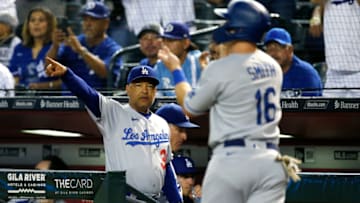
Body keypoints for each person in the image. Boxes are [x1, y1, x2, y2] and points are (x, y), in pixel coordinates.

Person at [158, 0, 301, 202]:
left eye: (227, 21)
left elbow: (190, 106)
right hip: (270, 161)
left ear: (236, 29)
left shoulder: (222, 67)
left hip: (233, 161)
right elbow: (236, 86)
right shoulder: (272, 66)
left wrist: (175, 69)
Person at [45, 57, 182, 203]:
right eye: (138, 85)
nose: (144, 90)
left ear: (155, 91)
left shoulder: (161, 123)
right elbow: (88, 94)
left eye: (150, 86)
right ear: (127, 88)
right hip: (123, 198)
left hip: (156, 199)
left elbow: (166, 168)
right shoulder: (114, 113)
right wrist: (67, 74)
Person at [46, 1, 122, 90]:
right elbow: (49, 68)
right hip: (67, 101)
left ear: (106, 23)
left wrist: (81, 51)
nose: (88, 24)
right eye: (85, 19)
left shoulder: (112, 48)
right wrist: (55, 46)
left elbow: (106, 74)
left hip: (97, 100)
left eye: (93, 19)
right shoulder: (73, 41)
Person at [309, 0, 360, 97]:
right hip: (334, 73)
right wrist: (317, 12)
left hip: (357, 72)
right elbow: (314, 1)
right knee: (330, 111)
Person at [8, 7, 61, 92]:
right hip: (21, 99)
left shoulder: (57, 47)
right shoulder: (19, 48)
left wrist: (43, 86)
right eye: (32, 20)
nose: (36, 23)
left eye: (41, 20)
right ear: (28, 25)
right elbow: (14, 78)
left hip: (52, 100)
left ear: (49, 25)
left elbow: (66, 81)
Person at [263, 27, 322, 97]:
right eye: (269, 49)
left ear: (290, 50)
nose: (272, 53)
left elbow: (313, 106)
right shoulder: (262, 73)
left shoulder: (306, 74)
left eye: (277, 48)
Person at [154, 22, 202, 96]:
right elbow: (156, 95)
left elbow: (192, 98)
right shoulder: (160, 64)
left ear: (186, 43)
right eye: (164, 40)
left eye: (171, 40)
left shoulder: (197, 60)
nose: (165, 45)